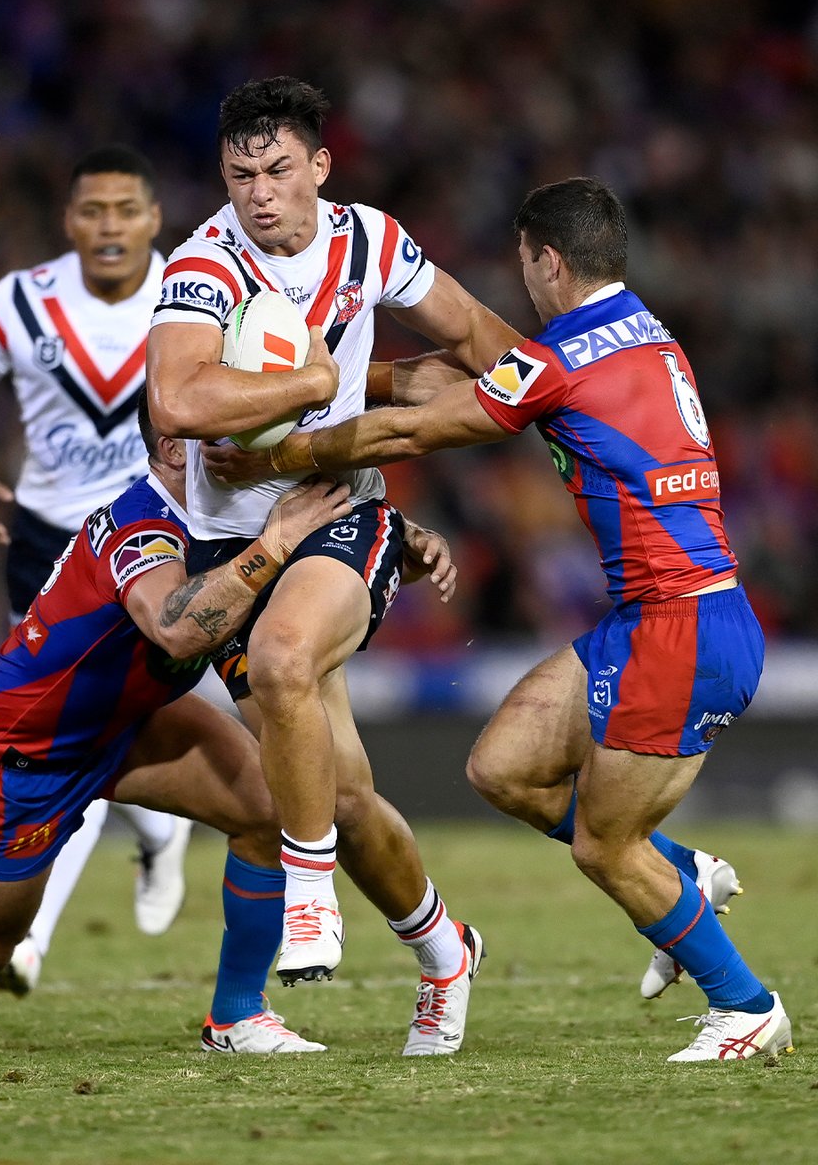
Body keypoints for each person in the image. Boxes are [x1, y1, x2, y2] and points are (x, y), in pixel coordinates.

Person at [210, 177, 794, 1064]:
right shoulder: (644, 329)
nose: (522, 281)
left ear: (547, 260)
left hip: (683, 628)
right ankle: (683, 875)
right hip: (655, 617)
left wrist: (281, 454)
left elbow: (416, 433)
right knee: (504, 768)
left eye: (524, 263)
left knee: (604, 846)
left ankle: (745, 1005)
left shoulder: (563, 355)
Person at [145, 76, 521, 1055]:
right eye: (239, 176)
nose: (259, 193)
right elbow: (177, 402)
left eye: (277, 170)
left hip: (338, 512)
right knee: (341, 793)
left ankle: (309, 897)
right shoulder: (202, 265)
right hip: (229, 543)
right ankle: (447, 951)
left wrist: (579, 399)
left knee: (280, 667)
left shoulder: (371, 242)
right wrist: (306, 379)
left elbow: (478, 337)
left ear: (320, 165)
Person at [0, 391, 354, 1055]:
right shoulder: (143, 524)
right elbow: (177, 629)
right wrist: (274, 544)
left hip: (130, 721)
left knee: (268, 809)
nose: (261, 446)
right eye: (239, 432)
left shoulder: (225, 513)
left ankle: (236, 1016)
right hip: (27, 749)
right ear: (179, 449)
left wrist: (409, 544)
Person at [0, 145, 194, 994]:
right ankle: (110, 872)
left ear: (155, 219)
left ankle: (46, 920)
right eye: (91, 210)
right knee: (60, 730)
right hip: (50, 542)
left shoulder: (195, 296)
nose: (108, 226)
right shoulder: (17, 304)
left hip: (164, 533)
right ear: (68, 220)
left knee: (111, 722)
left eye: (125, 210)